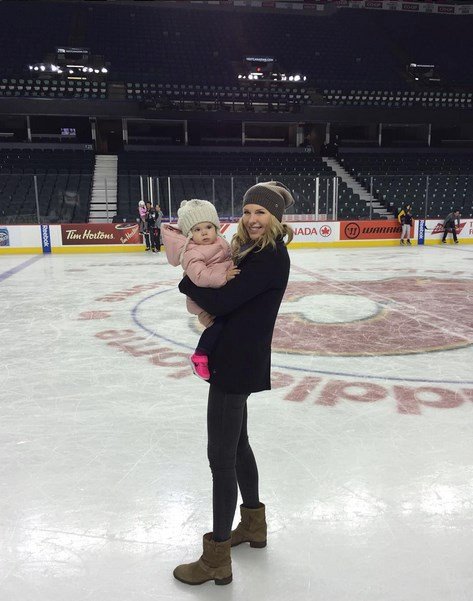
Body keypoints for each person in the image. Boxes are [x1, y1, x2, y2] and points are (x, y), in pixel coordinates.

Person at [172, 181, 295, 587]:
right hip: (238, 356)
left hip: (235, 362)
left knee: (220, 459)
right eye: (247, 211)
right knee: (238, 446)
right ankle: (254, 526)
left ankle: (217, 559)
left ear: (275, 217)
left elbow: (221, 302)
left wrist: (184, 284)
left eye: (261, 212)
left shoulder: (269, 257)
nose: (252, 218)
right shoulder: (250, 251)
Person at [161, 199, 239, 379]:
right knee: (219, 325)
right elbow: (199, 276)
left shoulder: (221, 242)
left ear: (216, 228)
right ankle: (200, 355)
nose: (204, 232)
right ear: (189, 234)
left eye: (208, 227)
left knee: (227, 328)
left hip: (219, 293)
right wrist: (224, 277)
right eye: (197, 229)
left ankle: (215, 356)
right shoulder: (191, 252)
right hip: (205, 300)